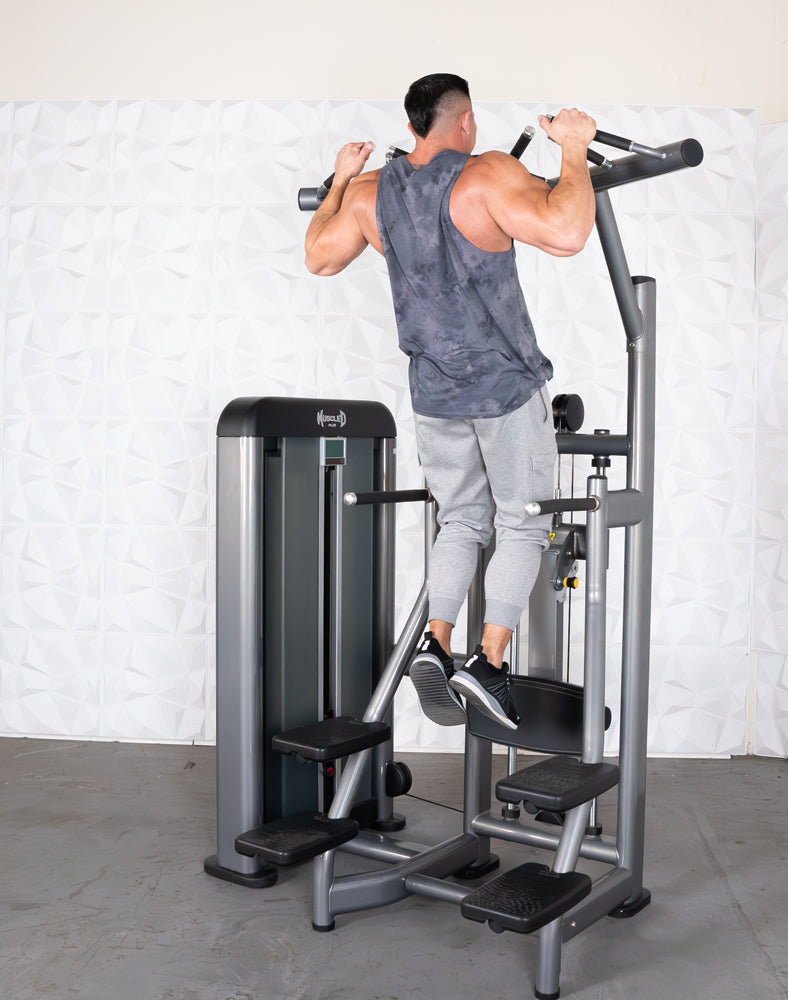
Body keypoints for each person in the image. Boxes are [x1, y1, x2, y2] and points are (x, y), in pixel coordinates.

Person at [304, 73, 596, 729]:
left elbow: (318, 258)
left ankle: (437, 641)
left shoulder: (372, 195)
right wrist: (572, 148)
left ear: (412, 128)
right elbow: (569, 231)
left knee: (461, 520)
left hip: (434, 392)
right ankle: (488, 664)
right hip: (503, 386)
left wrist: (339, 180)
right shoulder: (487, 173)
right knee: (521, 522)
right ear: (464, 122)